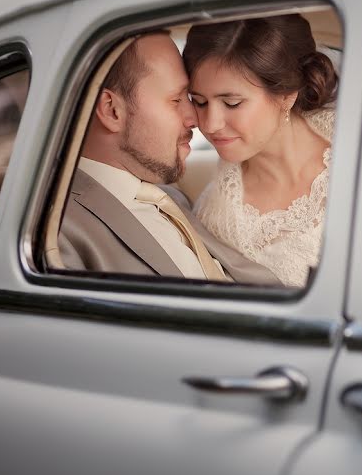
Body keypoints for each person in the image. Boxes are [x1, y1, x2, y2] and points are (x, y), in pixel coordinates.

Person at [56, 30, 280, 285]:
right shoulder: (58, 233)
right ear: (112, 110)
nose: (195, 119)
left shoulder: (170, 198)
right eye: (176, 100)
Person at [184, 15, 337, 287]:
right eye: (199, 102)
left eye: (231, 103)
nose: (209, 124)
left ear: (287, 94)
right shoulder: (215, 218)